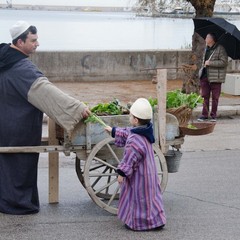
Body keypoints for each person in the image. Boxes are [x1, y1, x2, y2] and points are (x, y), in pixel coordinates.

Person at [0, 21, 91, 215]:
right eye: (33, 40)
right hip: (19, 127)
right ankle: (18, 204)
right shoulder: (22, 69)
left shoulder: (4, 60)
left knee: (6, 164)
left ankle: (5, 200)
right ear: (19, 41)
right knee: (20, 165)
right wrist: (77, 109)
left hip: (4, 123)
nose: (37, 43)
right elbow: (48, 94)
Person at [105, 98, 166, 231]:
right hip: (149, 173)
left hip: (140, 176)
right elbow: (128, 132)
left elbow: (129, 159)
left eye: (131, 115)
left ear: (136, 120)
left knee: (139, 197)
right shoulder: (145, 131)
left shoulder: (134, 140)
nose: (130, 117)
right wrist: (114, 131)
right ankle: (156, 220)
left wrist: (121, 173)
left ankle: (139, 223)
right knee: (151, 197)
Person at [198, 32, 228, 122]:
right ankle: (204, 114)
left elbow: (224, 62)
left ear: (212, 39)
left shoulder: (220, 49)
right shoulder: (206, 49)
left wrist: (210, 63)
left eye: (207, 37)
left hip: (215, 78)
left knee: (215, 98)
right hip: (205, 76)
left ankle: (213, 115)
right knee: (205, 96)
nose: (205, 39)